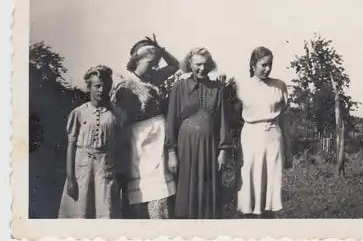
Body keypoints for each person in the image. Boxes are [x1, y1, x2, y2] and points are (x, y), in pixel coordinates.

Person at [111, 35, 180, 219]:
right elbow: (121, 120)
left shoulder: (155, 76)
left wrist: (160, 49)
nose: (155, 66)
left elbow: (175, 66)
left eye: (157, 62)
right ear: (137, 60)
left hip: (158, 137)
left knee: (160, 189)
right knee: (141, 188)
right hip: (139, 139)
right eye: (151, 62)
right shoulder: (125, 85)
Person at [165, 47, 232, 219]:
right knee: (186, 191)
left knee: (209, 191)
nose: (202, 68)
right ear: (189, 65)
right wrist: (171, 152)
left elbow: (223, 121)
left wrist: (223, 150)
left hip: (210, 148)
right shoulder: (179, 88)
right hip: (185, 148)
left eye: (206, 64)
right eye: (198, 64)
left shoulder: (218, 89)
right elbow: (171, 121)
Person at [58, 65, 125, 219]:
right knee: (80, 212)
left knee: (105, 211)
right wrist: (70, 179)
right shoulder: (79, 113)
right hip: (82, 170)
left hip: (105, 169)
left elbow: (121, 147)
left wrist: (119, 175)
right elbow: (71, 147)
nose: (102, 90)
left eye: (106, 86)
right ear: (89, 87)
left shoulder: (116, 115)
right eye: (97, 86)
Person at [236, 46, 292, 218]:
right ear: (253, 65)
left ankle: (268, 216)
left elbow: (284, 119)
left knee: (271, 180)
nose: (267, 69)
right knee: (250, 178)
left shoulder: (279, 86)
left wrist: (288, 149)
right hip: (251, 136)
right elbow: (234, 117)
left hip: (273, 135)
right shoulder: (241, 86)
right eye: (263, 65)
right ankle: (249, 217)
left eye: (270, 65)